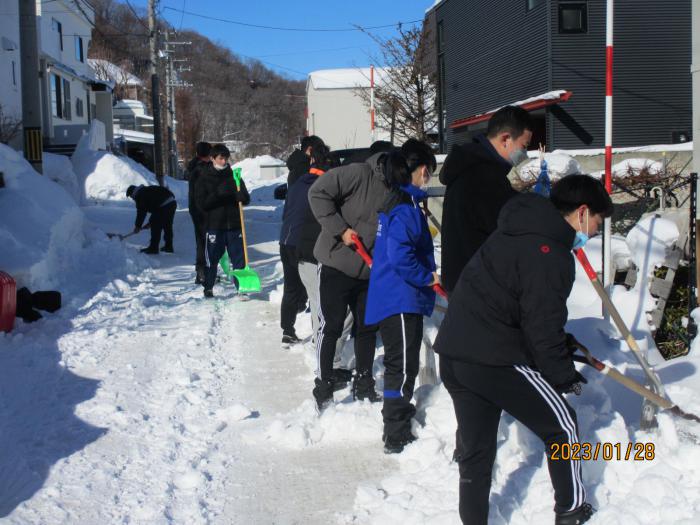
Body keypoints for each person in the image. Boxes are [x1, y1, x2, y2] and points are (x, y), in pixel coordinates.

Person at [433, 174, 612, 525]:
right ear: (582, 212)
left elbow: (521, 306)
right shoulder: (550, 253)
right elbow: (540, 326)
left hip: (456, 353)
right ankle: (572, 511)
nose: (593, 232)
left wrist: (565, 345)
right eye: (597, 223)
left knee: (476, 453)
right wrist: (563, 376)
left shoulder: (516, 230)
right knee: (562, 426)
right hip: (492, 357)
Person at [308, 146, 398, 410]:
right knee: (332, 325)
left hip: (370, 271)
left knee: (367, 327)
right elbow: (317, 193)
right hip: (336, 262)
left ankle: (364, 381)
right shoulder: (357, 174)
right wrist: (341, 230)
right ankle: (324, 385)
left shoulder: (398, 188)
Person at [364, 139, 438, 454]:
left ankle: (396, 420)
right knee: (403, 366)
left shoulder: (395, 203)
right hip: (401, 298)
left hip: (392, 295)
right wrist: (427, 276)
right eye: (429, 172)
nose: (429, 178)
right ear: (421, 170)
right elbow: (400, 256)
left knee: (400, 363)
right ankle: (395, 430)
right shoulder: (406, 210)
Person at [439, 105, 533, 293]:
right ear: (505, 138)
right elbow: (507, 231)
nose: (525, 154)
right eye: (524, 146)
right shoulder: (486, 177)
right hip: (481, 288)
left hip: (462, 281)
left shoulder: (466, 166)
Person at [287, 139, 354, 386]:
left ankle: (326, 365)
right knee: (335, 314)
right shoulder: (323, 193)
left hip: (304, 253)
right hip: (312, 257)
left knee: (321, 311)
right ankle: (328, 368)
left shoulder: (303, 183)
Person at [278, 139, 328, 345]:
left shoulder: (297, 180)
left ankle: (287, 331)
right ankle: (320, 334)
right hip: (303, 241)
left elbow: (287, 209)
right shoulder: (321, 185)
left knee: (291, 288)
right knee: (316, 291)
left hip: (286, 239)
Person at [194, 144, 250, 298]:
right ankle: (208, 287)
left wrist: (240, 196)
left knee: (239, 259)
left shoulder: (234, 176)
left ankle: (242, 288)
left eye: (226, 158)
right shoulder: (204, 178)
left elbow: (246, 198)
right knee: (211, 258)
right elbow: (201, 204)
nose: (224, 161)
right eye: (220, 158)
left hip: (234, 226)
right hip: (214, 226)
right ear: (212, 158)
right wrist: (218, 194)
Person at [186, 141, 212, 284]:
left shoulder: (194, 166)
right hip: (203, 209)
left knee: (201, 240)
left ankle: (202, 271)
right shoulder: (202, 169)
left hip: (195, 208)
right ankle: (203, 272)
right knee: (206, 241)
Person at [126, 184, 177, 254]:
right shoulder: (145, 190)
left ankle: (153, 248)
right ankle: (169, 246)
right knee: (167, 225)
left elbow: (141, 213)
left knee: (156, 226)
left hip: (163, 205)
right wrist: (150, 223)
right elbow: (155, 207)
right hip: (172, 203)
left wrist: (138, 226)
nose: (132, 199)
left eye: (131, 197)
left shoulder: (140, 196)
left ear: (132, 193)